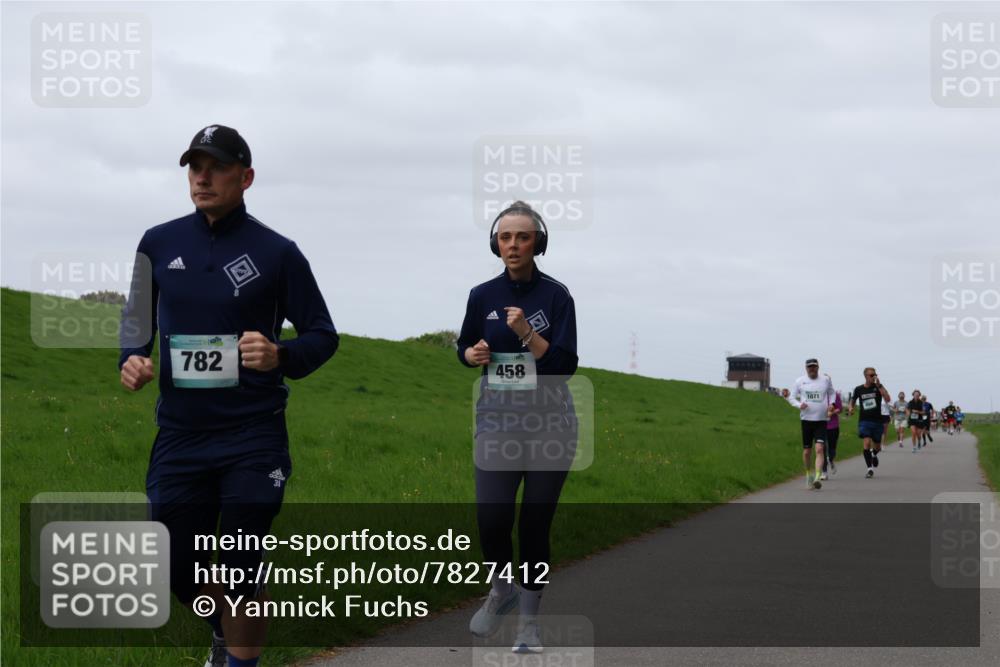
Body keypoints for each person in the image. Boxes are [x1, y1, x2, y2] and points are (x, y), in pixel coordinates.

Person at [119, 125, 339, 667]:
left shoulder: (277, 252)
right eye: (194, 167)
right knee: (174, 561)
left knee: (240, 564)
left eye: (215, 167)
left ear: (246, 177)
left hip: (252, 435)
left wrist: (281, 354)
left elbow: (322, 334)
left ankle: (239, 659)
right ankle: (225, 628)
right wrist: (132, 357)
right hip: (180, 434)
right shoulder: (158, 242)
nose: (202, 177)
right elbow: (135, 319)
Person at [457, 201, 578, 654]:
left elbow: (564, 365)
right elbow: (463, 346)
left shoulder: (557, 296)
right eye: (505, 237)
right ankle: (501, 589)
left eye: (522, 237)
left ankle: (529, 624)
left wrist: (528, 333)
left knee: (533, 527)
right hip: (496, 421)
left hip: (550, 425)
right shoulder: (481, 295)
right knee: (491, 520)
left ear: (537, 243)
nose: (513, 245)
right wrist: (471, 356)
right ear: (495, 242)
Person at [791, 359, 835, 490]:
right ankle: (808, 475)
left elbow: (832, 393)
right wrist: (800, 405)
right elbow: (792, 397)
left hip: (821, 420)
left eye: (814, 367)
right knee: (806, 452)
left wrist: (832, 404)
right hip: (806, 420)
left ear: (818, 367)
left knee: (820, 449)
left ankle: (817, 477)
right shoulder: (800, 381)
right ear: (806, 368)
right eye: (809, 367)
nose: (812, 369)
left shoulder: (825, 380)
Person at [848, 368, 891, 478]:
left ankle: (873, 454)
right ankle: (869, 469)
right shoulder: (859, 389)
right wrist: (851, 408)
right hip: (864, 420)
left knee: (878, 447)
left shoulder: (878, 387)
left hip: (877, 421)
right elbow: (852, 401)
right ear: (865, 376)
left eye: (875, 375)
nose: (874, 377)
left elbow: (887, 398)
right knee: (866, 443)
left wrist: (880, 385)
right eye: (871, 375)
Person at [821, 380, 842, 480]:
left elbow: (840, 409)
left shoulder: (835, 395)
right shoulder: (818, 395)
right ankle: (824, 472)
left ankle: (831, 460)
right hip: (821, 425)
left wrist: (832, 412)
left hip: (833, 426)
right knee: (822, 449)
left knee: (832, 448)